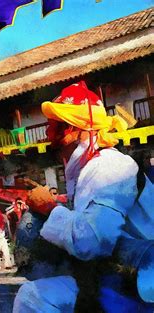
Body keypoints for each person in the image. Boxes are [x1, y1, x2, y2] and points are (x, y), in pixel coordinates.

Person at [13, 81, 154, 312]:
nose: (49, 135)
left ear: (75, 129)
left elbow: (92, 242)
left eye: (56, 127)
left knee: (33, 298)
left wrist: (49, 209)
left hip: (141, 284)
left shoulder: (109, 166)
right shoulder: (89, 169)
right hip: (120, 281)